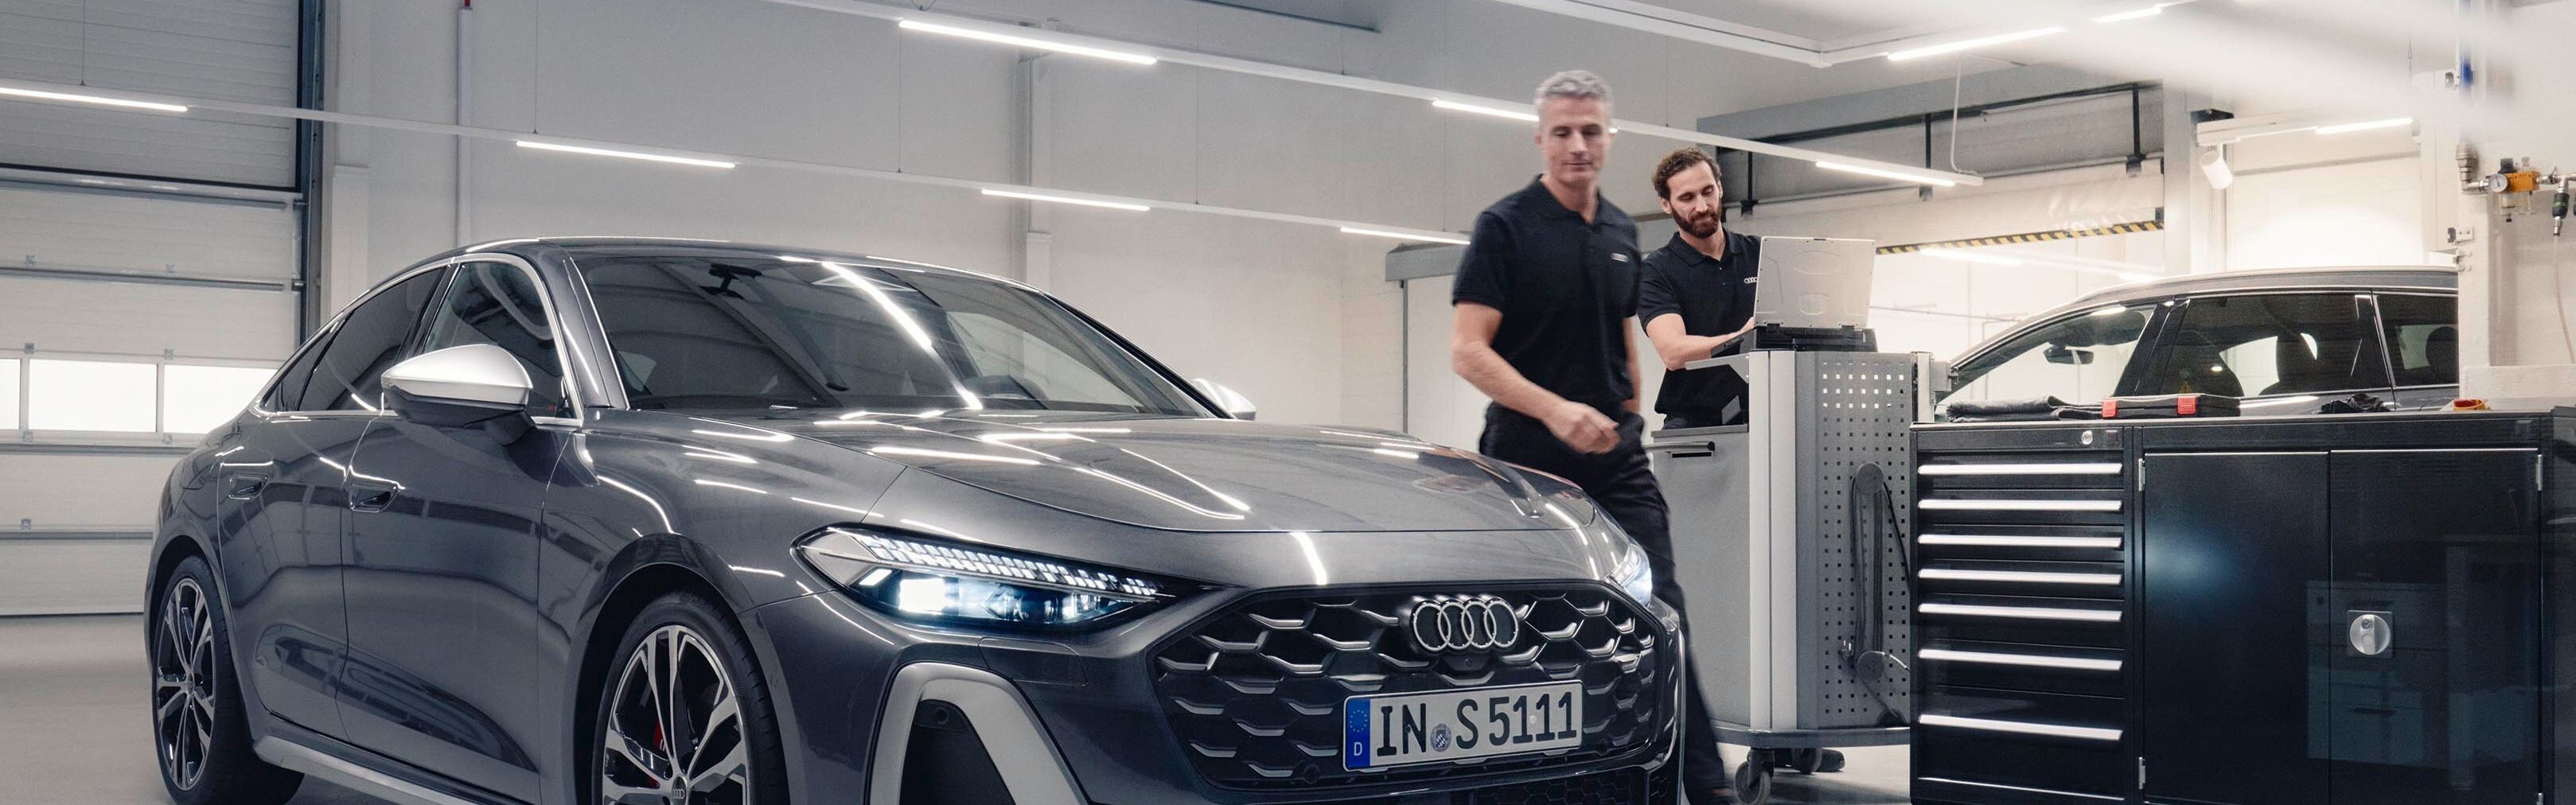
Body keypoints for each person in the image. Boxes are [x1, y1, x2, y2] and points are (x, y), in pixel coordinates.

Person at [1448, 70, 1739, 805]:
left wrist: (1628, 415)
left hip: (1616, 454)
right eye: (1562, 132)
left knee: (1660, 615)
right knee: (1532, 627)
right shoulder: (1504, 227)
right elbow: (1468, 351)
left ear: (1608, 138)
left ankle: (1706, 789)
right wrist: (1554, 410)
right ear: (1540, 139)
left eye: (1589, 131)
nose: (1576, 144)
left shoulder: (1618, 231)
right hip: (1526, 456)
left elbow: (1621, 340)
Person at [1639, 147, 1761, 430]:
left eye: (1708, 192)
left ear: (1720, 188)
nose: (1703, 207)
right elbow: (1674, 352)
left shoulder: (1761, 254)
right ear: (1666, 204)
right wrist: (1741, 339)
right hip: (1694, 425)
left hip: (1764, 415)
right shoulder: (1656, 270)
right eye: (1687, 198)